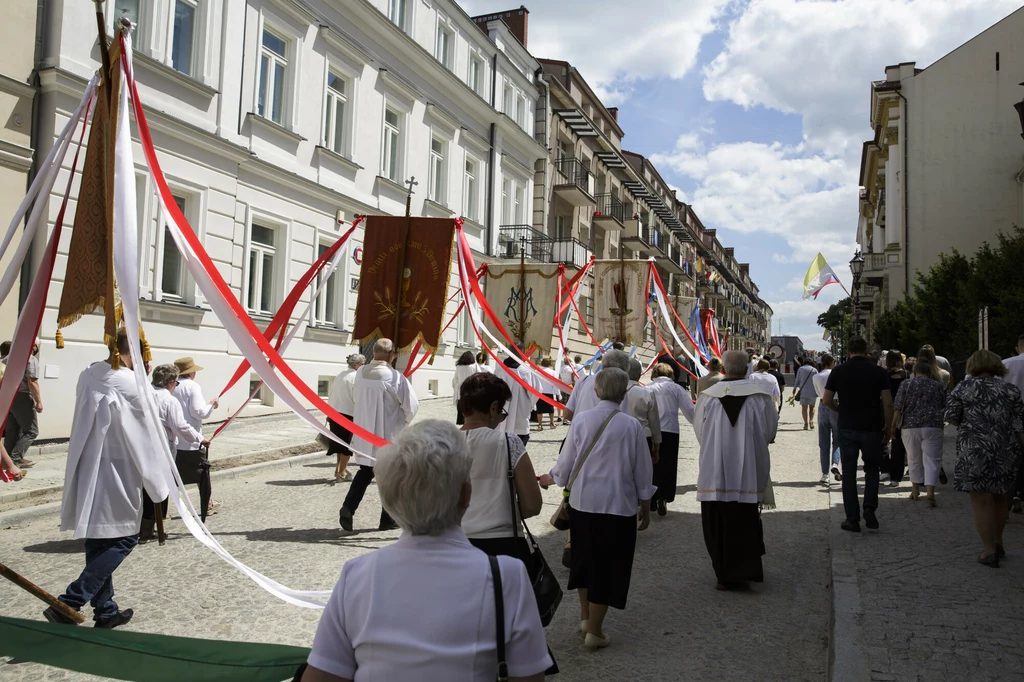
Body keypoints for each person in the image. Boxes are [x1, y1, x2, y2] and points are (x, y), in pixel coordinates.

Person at [302, 420, 552, 681]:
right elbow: (529, 676)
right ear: (466, 495)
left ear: (388, 501)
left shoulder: (356, 575)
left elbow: (322, 674)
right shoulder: (508, 577)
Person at [45, 329, 169, 628]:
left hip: (90, 466)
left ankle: (106, 610)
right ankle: (71, 600)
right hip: (119, 469)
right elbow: (147, 437)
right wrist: (158, 483)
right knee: (125, 537)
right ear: (137, 354)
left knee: (99, 539)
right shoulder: (132, 384)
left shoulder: (89, 374)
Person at [538, 368, 654, 650]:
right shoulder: (631, 426)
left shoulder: (582, 420)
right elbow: (642, 471)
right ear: (624, 393)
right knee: (609, 564)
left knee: (584, 560)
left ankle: (585, 617)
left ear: (596, 390)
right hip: (618, 505)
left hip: (583, 503)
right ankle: (595, 629)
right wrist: (646, 505)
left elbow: (566, 462)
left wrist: (551, 478)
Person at [694, 350, 777, 591]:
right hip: (749, 469)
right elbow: (770, 432)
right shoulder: (761, 398)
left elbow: (700, 432)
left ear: (724, 369)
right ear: (746, 369)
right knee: (745, 518)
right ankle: (744, 570)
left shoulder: (707, 397)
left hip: (715, 469)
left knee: (716, 520)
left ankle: (723, 573)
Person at [945, 350, 1024, 567]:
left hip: (975, 450)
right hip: (1006, 450)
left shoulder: (963, 388)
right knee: (1000, 497)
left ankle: (988, 550)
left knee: (980, 500)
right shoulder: (1011, 390)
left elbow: (950, 417)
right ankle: (998, 542)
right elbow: (1019, 425)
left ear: (972, 366)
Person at [459, 372, 543, 555]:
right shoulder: (508, 442)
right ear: (493, 408)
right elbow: (532, 505)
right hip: (503, 544)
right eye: (502, 414)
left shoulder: (443, 443)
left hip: (455, 542)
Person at [340, 338, 419, 532]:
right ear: (392, 354)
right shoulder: (395, 377)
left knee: (365, 472)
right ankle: (387, 519)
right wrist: (404, 422)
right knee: (392, 477)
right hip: (387, 436)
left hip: (365, 434)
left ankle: (348, 507)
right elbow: (412, 406)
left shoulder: (360, 373)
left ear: (373, 353)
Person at [824, 337, 893, 533]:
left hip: (847, 426)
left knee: (849, 472)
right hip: (872, 427)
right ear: (866, 351)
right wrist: (888, 427)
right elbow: (888, 402)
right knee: (872, 469)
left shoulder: (838, 371)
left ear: (848, 352)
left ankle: (852, 519)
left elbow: (827, 400)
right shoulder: (879, 372)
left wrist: (840, 410)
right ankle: (870, 507)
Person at [141, 364, 207, 542]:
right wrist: (199, 439)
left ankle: (145, 527)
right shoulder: (168, 400)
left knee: (145, 488)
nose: (175, 386)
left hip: (142, 446)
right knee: (158, 488)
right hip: (161, 449)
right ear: (170, 382)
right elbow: (180, 426)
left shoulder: (145, 394)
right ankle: (147, 530)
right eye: (175, 383)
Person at [893, 361, 946, 507]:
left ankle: (915, 490)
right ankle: (930, 492)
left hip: (910, 426)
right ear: (930, 372)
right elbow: (943, 405)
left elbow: (897, 406)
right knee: (932, 460)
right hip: (933, 425)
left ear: (915, 372)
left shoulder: (906, 384)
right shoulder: (937, 385)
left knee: (913, 458)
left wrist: (892, 426)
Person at [172, 357, 220, 515]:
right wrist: (212, 405)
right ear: (191, 372)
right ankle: (207, 504)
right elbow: (199, 412)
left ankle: (163, 511)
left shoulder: (172, 386)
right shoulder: (192, 386)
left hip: (173, 439)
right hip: (192, 438)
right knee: (202, 473)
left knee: (173, 474)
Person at [648, 362, 695, 516]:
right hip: (670, 430)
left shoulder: (648, 388)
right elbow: (689, 409)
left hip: (651, 430)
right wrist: (698, 423)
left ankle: (651, 496)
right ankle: (664, 496)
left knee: (652, 463)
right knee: (669, 463)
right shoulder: (676, 388)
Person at [561, 350, 631, 422]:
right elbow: (625, 420)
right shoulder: (620, 388)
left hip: (580, 430)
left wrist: (581, 422)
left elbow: (567, 414)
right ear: (623, 371)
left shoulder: (583, 381)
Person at [3, 340, 42, 468]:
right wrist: (39, 402)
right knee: (31, 431)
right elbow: (32, 381)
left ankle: (6, 459)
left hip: (7, 395)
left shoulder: (8, 358)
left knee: (12, 430)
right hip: (22, 396)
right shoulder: (30, 359)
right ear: (34, 346)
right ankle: (15, 458)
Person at [327, 354, 364, 482]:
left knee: (339, 444)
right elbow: (356, 398)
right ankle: (341, 473)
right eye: (362, 364)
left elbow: (331, 393)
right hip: (348, 414)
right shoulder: (356, 377)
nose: (363, 366)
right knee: (347, 446)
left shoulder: (340, 375)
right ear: (355, 365)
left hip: (335, 412)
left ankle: (338, 470)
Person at [497, 356, 540, 446]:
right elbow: (536, 391)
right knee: (520, 440)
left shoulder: (499, 367)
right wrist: (529, 406)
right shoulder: (526, 370)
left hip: (501, 410)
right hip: (521, 410)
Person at [1003, 333, 1024, 512]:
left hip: (1011, 417)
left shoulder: (1006, 364)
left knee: (1014, 457)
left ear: (1018, 347)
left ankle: (1014, 493)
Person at [812, 354, 841, 485]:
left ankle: (825, 474)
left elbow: (818, 392)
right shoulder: (836, 374)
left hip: (823, 404)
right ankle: (835, 462)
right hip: (835, 404)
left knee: (824, 442)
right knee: (837, 439)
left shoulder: (816, 376)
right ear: (833, 362)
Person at [625, 358, 661, 460]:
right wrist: (656, 447)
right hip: (643, 437)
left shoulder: (614, 390)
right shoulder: (647, 393)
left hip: (620, 437)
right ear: (640, 374)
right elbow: (654, 422)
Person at [882, 350, 908, 486]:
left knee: (883, 440)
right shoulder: (907, 375)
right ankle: (896, 477)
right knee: (898, 445)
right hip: (903, 412)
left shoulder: (884, 375)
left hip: (886, 410)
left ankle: (885, 469)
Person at [452, 351, 479, 426]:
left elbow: (455, 380)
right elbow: (480, 377)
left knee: (462, 412)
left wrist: (456, 388)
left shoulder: (458, 367)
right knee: (472, 412)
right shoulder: (475, 366)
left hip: (461, 393)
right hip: (472, 392)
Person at [792, 357, 818, 430]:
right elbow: (817, 380)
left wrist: (794, 388)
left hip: (803, 391)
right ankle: (811, 421)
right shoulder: (814, 370)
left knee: (804, 408)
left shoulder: (801, 369)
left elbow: (797, 379)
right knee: (812, 407)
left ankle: (805, 423)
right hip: (813, 391)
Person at [535, 358, 558, 431]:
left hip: (540, 392)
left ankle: (540, 424)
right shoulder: (553, 372)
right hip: (549, 391)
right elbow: (555, 383)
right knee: (550, 409)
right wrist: (557, 393)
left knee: (539, 409)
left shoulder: (537, 371)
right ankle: (551, 423)